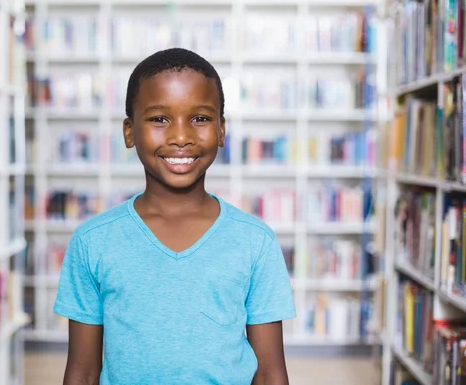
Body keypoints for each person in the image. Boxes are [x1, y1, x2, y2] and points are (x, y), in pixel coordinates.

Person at [53, 47, 296, 385]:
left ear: (222, 130)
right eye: (159, 119)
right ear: (129, 131)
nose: (181, 136)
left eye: (200, 118)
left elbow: (270, 373)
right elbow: (82, 372)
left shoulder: (255, 241)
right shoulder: (93, 241)